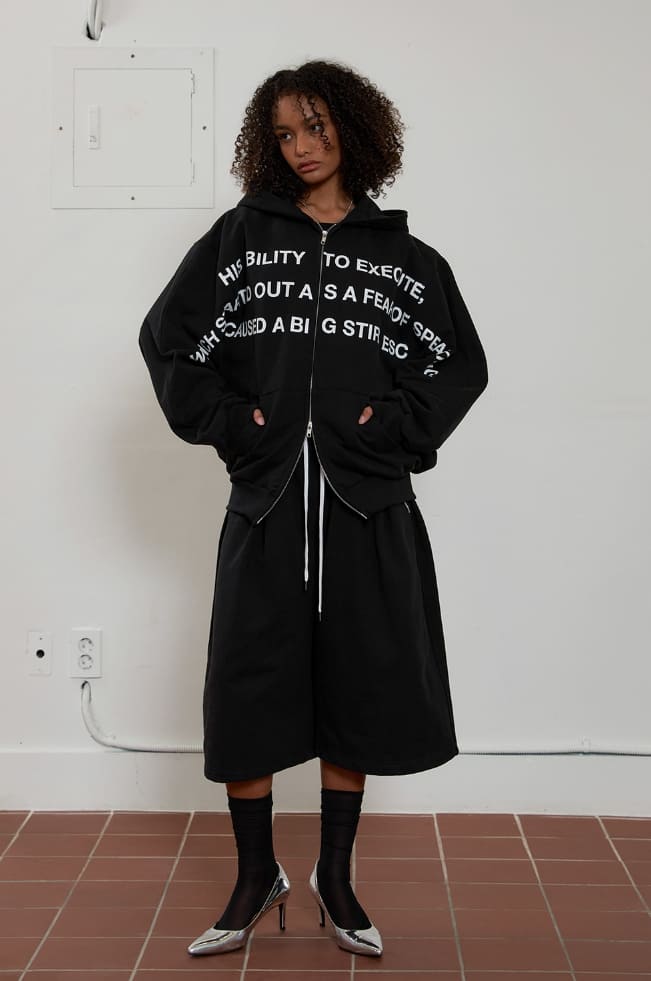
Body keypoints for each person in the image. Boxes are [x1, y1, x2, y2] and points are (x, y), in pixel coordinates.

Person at [138, 58, 488, 959]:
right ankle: (256, 875)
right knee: (247, 683)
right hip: (267, 502)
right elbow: (169, 340)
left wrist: (391, 428)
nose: (301, 147)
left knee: (358, 680)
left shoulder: (404, 259)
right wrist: (235, 426)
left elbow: (456, 366)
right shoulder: (240, 241)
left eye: (317, 127)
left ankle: (335, 877)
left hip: (366, 505)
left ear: (353, 130)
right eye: (285, 133)